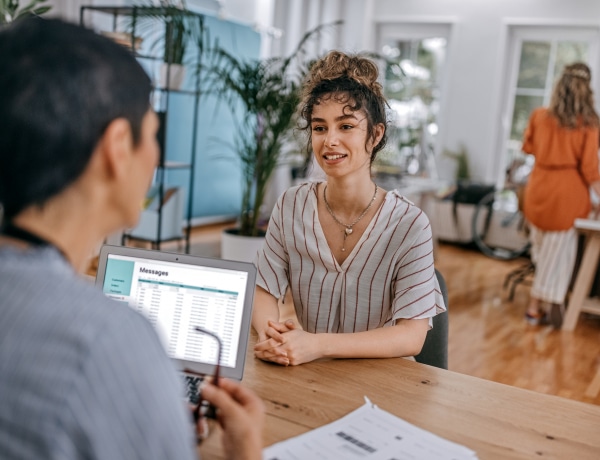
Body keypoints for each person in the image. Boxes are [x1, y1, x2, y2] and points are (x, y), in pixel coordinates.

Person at [0, 18, 263, 459]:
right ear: (117, 147)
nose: (156, 154)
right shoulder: (107, 341)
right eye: (154, 132)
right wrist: (246, 452)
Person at [252, 50, 446, 366]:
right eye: (319, 127)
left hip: (386, 379)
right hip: (314, 373)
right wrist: (270, 335)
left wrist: (318, 345)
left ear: (375, 134)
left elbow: (412, 336)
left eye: (345, 127)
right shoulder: (290, 206)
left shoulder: (410, 224)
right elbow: (264, 288)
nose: (329, 140)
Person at [521, 62, 600, 328]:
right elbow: (590, 169)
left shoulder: (539, 115)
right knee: (556, 257)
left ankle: (544, 304)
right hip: (568, 196)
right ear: (586, 90)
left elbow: (528, 147)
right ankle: (538, 305)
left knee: (542, 253)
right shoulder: (589, 124)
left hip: (538, 189)